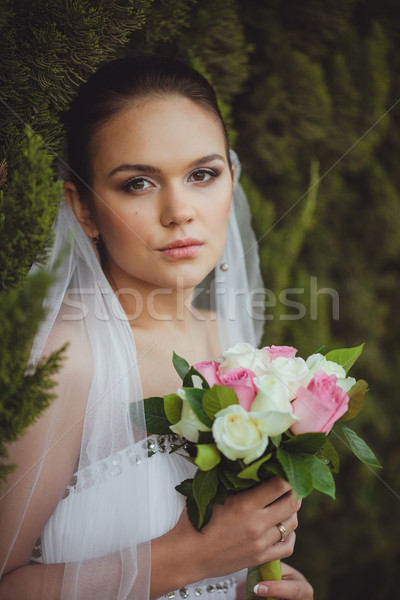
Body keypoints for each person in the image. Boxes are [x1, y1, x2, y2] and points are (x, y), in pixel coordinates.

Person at [0, 57, 313, 600]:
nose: (179, 210)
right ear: (84, 210)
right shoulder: (63, 360)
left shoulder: (233, 347)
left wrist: (253, 585)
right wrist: (189, 557)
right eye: (138, 183)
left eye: (202, 175)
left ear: (231, 179)